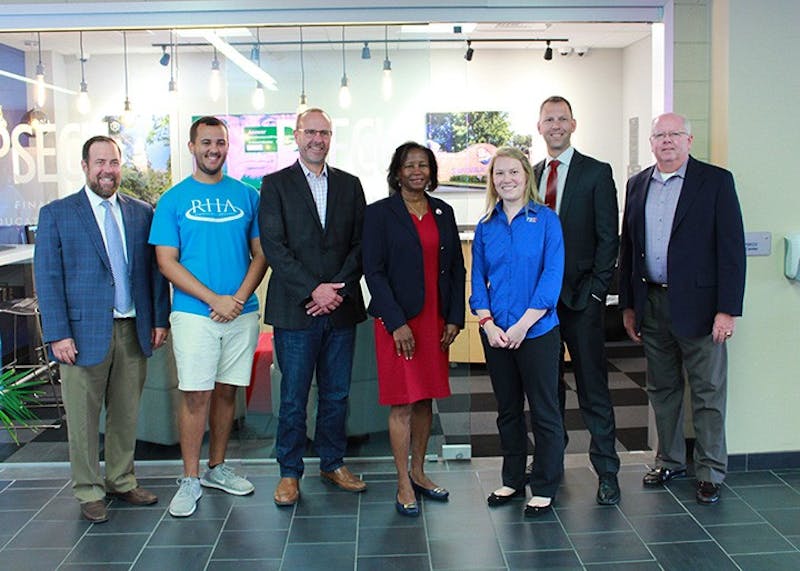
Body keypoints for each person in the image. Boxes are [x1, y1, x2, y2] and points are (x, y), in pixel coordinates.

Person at [34, 135, 170, 523]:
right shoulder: (58, 213)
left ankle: (121, 480)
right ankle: (88, 489)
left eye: (113, 162)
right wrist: (57, 333)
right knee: (82, 417)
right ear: (85, 166)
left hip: (132, 328)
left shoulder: (142, 212)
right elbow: (47, 277)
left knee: (127, 413)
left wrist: (159, 319)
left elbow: (154, 274)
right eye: (100, 163)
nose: (108, 170)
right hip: (79, 334)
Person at [619, 112, 745, 505]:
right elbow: (629, 250)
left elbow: (731, 250)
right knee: (662, 389)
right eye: (660, 135)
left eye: (675, 134)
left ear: (690, 141)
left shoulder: (716, 182)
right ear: (651, 143)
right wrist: (628, 306)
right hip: (652, 303)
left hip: (703, 308)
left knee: (707, 392)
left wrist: (727, 310)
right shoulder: (637, 184)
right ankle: (670, 459)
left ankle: (709, 470)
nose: (667, 141)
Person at [149, 116, 268, 518]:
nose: (213, 149)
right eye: (205, 142)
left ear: (227, 146)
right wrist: (213, 299)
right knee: (195, 394)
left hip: (241, 311)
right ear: (191, 146)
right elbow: (167, 261)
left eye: (219, 142)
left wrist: (237, 297)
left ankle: (217, 468)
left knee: (227, 393)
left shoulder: (247, 195)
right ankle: (189, 478)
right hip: (194, 314)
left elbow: (261, 253)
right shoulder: (173, 199)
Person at [259, 108, 368, 506]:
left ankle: (332, 461)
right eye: (310, 132)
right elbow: (275, 246)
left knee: (337, 394)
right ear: (297, 135)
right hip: (296, 310)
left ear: (331, 136)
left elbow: (360, 244)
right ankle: (289, 473)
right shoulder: (274, 185)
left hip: (340, 307)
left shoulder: (350, 185)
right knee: (293, 396)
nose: (317, 139)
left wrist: (334, 289)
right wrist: (313, 290)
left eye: (324, 132)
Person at [362, 142, 465, 516]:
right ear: (398, 171)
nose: (417, 171)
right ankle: (402, 480)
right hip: (398, 323)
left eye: (423, 165)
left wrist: (454, 317)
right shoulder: (379, 214)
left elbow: (456, 268)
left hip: (435, 320)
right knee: (402, 402)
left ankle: (420, 472)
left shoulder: (443, 211)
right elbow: (372, 270)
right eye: (410, 165)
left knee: (425, 399)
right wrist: (396, 322)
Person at [532, 95, 621, 505]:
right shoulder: (530, 176)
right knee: (547, 391)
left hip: (582, 301)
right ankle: (550, 469)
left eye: (561, 118)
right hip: (539, 306)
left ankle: (606, 472)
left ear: (573, 123)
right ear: (539, 126)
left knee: (593, 389)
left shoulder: (596, 173)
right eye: (548, 119)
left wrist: (598, 293)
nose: (555, 125)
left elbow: (609, 239)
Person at [470, 146, 565, 517]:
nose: (506, 180)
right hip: (496, 335)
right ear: (491, 181)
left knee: (544, 410)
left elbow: (551, 276)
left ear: (527, 177)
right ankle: (513, 479)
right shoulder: (486, 226)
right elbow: (478, 279)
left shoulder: (546, 220)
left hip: (537, 331)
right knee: (507, 410)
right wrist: (488, 323)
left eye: (513, 173)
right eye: (499, 174)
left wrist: (524, 324)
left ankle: (544, 484)